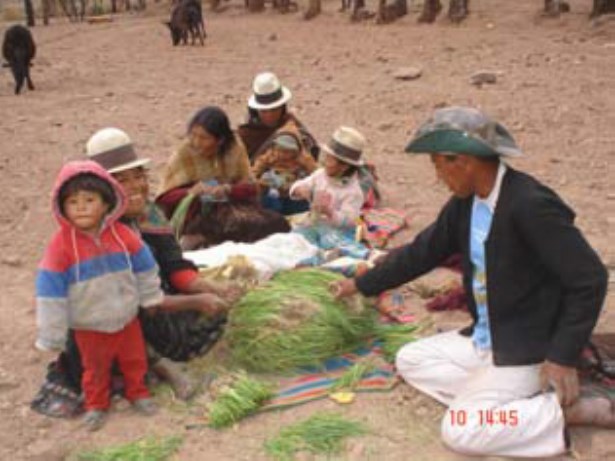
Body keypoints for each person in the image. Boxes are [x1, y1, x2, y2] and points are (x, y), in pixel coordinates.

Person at [331, 107, 610, 457]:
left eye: (438, 166)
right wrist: (361, 284)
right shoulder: (466, 204)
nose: (438, 177)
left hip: (526, 348)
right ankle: (510, 404)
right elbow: (422, 252)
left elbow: (590, 278)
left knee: (460, 430)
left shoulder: (530, 205)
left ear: (462, 162)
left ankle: (565, 411)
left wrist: (562, 356)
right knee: (411, 359)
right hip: (487, 340)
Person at [31, 128, 237, 421]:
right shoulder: (89, 233)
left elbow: (174, 265)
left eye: (138, 176)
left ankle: (153, 360)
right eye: (122, 180)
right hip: (101, 315)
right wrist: (195, 301)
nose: (135, 186)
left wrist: (207, 286)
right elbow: (132, 295)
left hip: (152, 300)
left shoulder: (149, 214)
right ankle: (158, 364)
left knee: (207, 314)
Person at [35, 160, 162, 431]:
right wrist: (51, 334)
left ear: (106, 203)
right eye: (72, 202)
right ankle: (96, 405)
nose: (81, 207)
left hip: (127, 319)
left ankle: (138, 393)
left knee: (135, 360)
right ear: (61, 208)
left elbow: (145, 266)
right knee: (94, 368)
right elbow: (49, 294)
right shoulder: (60, 247)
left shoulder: (122, 235)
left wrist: (150, 297)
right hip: (89, 327)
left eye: (89, 200)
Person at [157, 106, 290, 249]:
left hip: (231, 207)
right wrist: (191, 192)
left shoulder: (234, 147)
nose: (196, 142)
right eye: (193, 135)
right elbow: (164, 198)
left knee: (278, 223)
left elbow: (251, 188)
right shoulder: (184, 153)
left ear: (220, 140)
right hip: (198, 216)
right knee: (233, 228)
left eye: (204, 138)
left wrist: (227, 189)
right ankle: (196, 238)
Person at [289, 126, 369, 260]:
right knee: (298, 236)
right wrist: (300, 190)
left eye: (330, 160)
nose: (325, 162)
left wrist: (330, 212)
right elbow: (297, 186)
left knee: (331, 240)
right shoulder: (320, 175)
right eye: (326, 157)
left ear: (344, 166)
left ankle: (361, 255)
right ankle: (316, 254)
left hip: (338, 232)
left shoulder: (353, 192)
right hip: (316, 224)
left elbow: (349, 220)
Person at [237, 71, 319, 163]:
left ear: (282, 107)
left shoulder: (291, 124)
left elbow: (312, 150)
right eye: (264, 111)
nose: (269, 115)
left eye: (274, 109)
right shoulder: (246, 133)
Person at [253, 133, 317, 215]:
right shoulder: (269, 157)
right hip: (273, 189)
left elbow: (315, 172)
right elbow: (255, 171)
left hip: (291, 190)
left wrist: (306, 160)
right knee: (271, 204)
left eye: (286, 152)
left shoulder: (300, 159)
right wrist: (259, 181)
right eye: (279, 150)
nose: (281, 154)